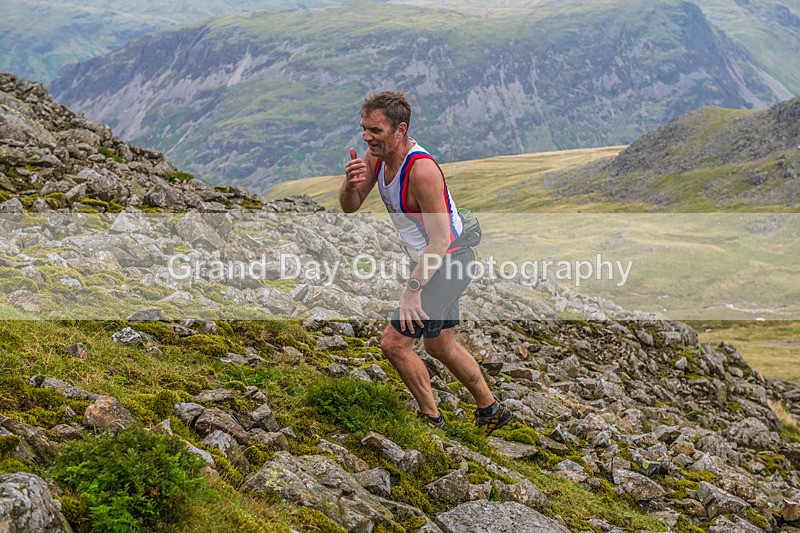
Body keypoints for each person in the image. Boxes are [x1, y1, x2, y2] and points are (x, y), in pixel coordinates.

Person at [339, 91, 513, 435]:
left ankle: (430, 418)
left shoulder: (422, 172)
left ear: (400, 130)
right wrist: (349, 183)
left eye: (375, 130)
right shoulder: (378, 157)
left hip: (451, 263)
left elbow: (441, 240)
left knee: (393, 343)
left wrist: (412, 291)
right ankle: (491, 409)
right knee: (439, 344)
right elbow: (351, 205)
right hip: (435, 263)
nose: (366, 137)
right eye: (364, 128)